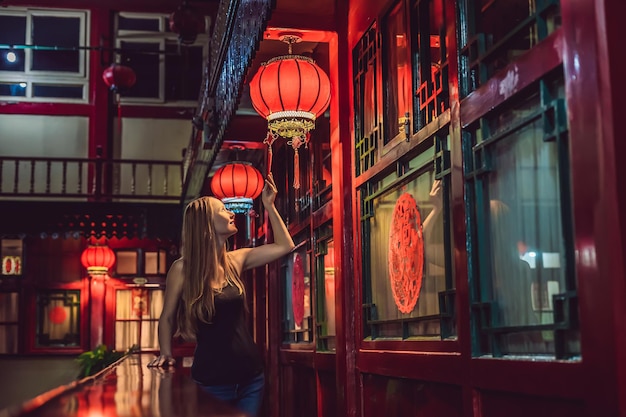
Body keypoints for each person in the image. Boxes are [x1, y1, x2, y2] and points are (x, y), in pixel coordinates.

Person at [148, 173, 295, 417]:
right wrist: (165, 352)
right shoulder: (183, 269)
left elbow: (285, 246)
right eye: (223, 210)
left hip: (251, 378)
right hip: (212, 383)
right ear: (206, 223)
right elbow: (167, 317)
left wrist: (269, 205)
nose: (231, 213)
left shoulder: (236, 260)